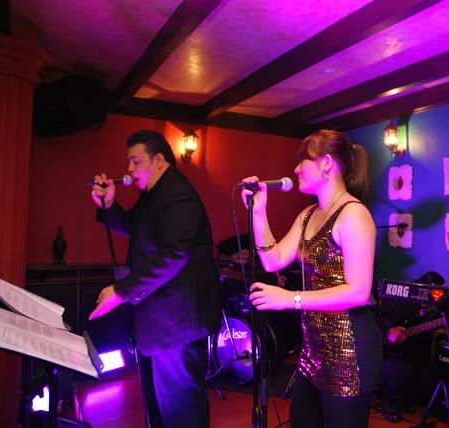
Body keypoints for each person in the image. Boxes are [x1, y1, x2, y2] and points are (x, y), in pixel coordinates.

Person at [242, 129, 381, 428]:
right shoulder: (308, 215)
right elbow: (272, 259)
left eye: (303, 160)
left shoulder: (353, 214)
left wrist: (290, 299)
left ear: (326, 163)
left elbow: (358, 292)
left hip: (348, 352)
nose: (295, 169)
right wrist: (259, 213)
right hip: (313, 352)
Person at [89, 130, 222, 428]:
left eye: (136, 162)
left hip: (178, 325)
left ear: (159, 160)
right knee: (161, 410)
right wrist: (108, 205)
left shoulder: (177, 194)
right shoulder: (154, 194)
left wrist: (121, 291)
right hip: (162, 323)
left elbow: (174, 254)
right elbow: (133, 227)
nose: (129, 169)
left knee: (181, 413)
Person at [375, 271, 445, 423]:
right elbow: (374, 315)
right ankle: (390, 406)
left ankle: (405, 403)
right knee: (399, 370)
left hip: (409, 355)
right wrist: (388, 331)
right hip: (387, 353)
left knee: (427, 375)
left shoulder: (433, 312)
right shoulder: (399, 300)